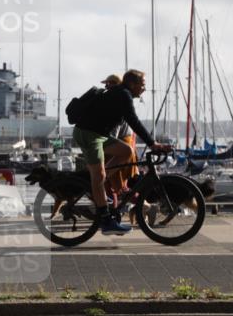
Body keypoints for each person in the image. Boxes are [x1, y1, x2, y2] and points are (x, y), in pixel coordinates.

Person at [72, 69, 171, 235]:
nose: (144, 88)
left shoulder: (122, 94)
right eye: (142, 85)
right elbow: (134, 121)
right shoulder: (123, 94)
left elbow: (130, 123)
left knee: (126, 151)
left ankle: (99, 181)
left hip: (99, 135)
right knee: (99, 175)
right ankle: (105, 221)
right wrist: (152, 143)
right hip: (88, 134)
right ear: (132, 84)